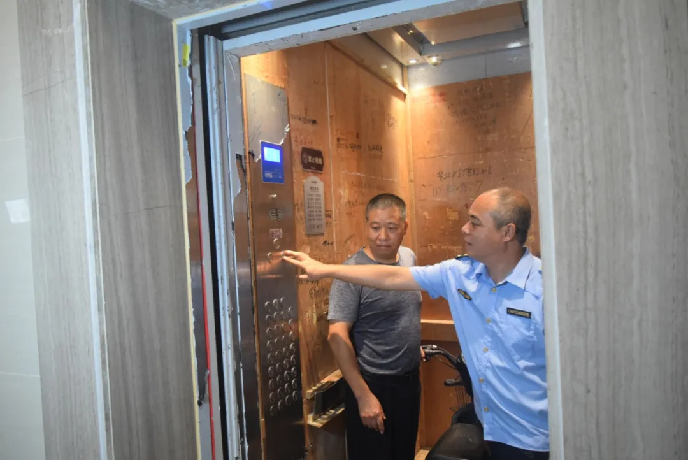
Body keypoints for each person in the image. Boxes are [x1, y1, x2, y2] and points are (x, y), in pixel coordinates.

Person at [284, 187, 549, 460]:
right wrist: (325, 269)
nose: (464, 229)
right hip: (488, 426)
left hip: (536, 436)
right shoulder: (459, 274)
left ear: (507, 232)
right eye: (375, 227)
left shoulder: (547, 289)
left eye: (475, 222)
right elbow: (391, 278)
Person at [327, 193, 422, 460]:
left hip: (409, 382)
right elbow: (336, 335)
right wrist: (363, 396)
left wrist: (411, 344)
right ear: (366, 225)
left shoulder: (408, 257)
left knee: (404, 454)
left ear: (404, 227)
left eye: (391, 228)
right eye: (375, 227)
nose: (382, 236)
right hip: (372, 385)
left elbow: (406, 309)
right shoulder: (351, 273)